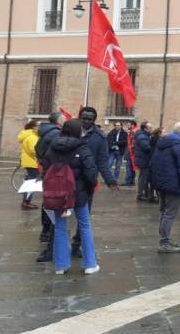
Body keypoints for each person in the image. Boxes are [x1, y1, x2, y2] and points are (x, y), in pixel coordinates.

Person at [40, 119, 100, 275]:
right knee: (85, 226)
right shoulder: (82, 148)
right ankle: (90, 264)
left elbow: (45, 170)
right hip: (79, 194)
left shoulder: (52, 148)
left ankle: (61, 265)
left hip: (58, 195)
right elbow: (91, 173)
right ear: (78, 132)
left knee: (60, 228)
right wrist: (88, 189)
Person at [73, 107, 118, 258]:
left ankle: (76, 244)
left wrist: (110, 180)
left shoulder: (100, 137)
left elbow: (103, 162)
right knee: (60, 212)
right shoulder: (70, 131)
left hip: (87, 181)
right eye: (83, 118)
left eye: (89, 119)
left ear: (94, 120)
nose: (86, 121)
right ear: (79, 117)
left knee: (84, 214)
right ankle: (52, 243)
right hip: (68, 179)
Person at [151, 123, 180, 253]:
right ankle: (164, 242)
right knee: (169, 214)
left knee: (164, 212)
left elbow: (153, 163)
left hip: (161, 183)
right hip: (173, 184)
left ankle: (165, 239)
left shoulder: (162, 143)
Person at [35, 112, 65, 261]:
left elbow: (37, 148)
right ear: (58, 120)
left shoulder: (46, 132)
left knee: (47, 200)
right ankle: (47, 232)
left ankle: (45, 231)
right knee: (51, 201)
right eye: (63, 118)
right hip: (53, 171)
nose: (65, 120)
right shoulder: (55, 134)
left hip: (47, 170)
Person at [18, 120, 40, 210]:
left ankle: (26, 201)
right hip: (32, 162)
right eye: (39, 125)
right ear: (34, 127)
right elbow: (34, 150)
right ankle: (26, 202)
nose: (40, 127)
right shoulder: (32, 136)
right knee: (31, 183)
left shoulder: (29, 135)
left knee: (29, 181)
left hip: (29, 161)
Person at [135, 121, 154, 201]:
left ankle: (145, 193)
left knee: (145, 178)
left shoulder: (144, 135)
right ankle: (140, 194)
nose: (151, 129)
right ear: (145, 128)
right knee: (143, 178)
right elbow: (146, 147)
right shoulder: (142, 136)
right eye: (150, 128)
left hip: (144, 159)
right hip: (143, 160)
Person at [122, 120, 138, 187]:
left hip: (131, 153)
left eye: (129, 125)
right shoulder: (135, 131)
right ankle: (132, 181)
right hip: (131, 153)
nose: (128, 126)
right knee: (132, 168)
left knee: (129, 167)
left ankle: (128, 181)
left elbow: (132, 144)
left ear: (133, 125)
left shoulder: (133, 132)